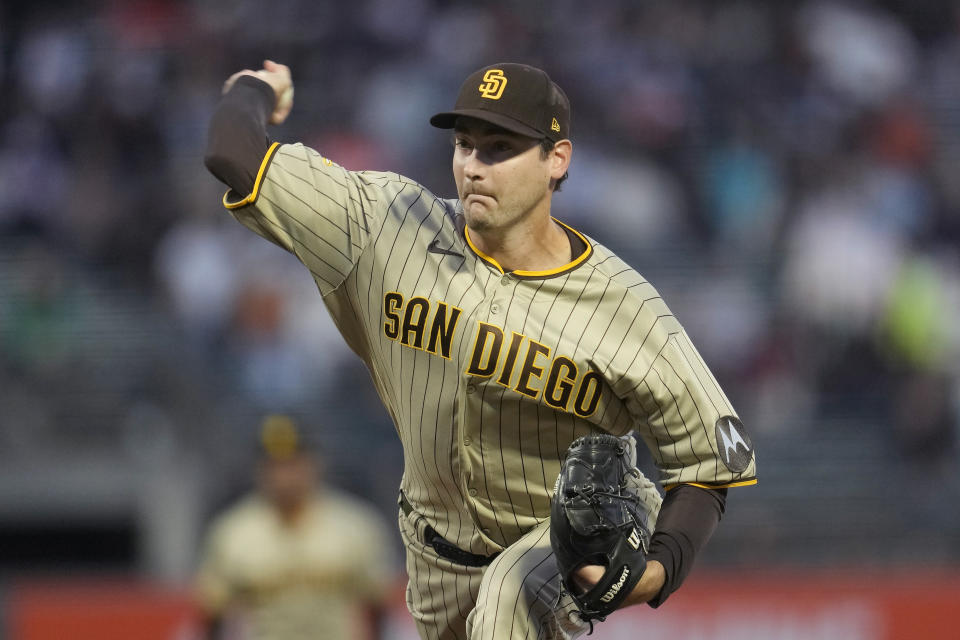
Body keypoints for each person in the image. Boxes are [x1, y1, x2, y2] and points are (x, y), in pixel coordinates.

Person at [204, 60, 757, 639]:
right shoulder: (384, 227)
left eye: (499, 149)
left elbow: (710, 460)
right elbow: (232, 153)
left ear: (556, 160)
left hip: (564, 537)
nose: (472, 167)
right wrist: (257, 87)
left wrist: (658, 571)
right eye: (464, 145)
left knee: (503, 602)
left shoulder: (623, 306)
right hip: (434, 552)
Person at [194, 414, 395, 640]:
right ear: (260, 469)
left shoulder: (354, 526)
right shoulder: (233, 532)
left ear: (314, 463)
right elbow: (214, 616)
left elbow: (378, 609)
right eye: (275, 465)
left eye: (293, 463)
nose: (284, 476)